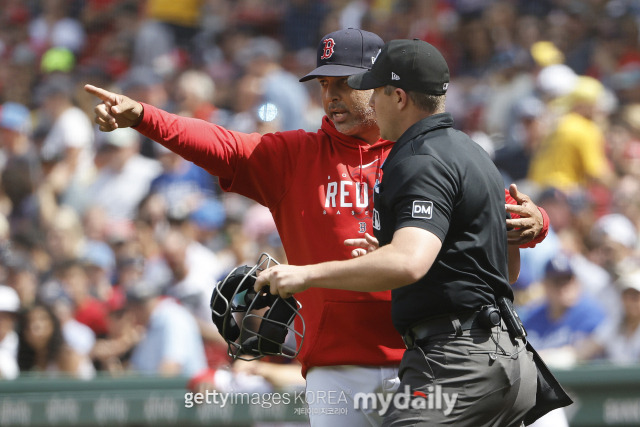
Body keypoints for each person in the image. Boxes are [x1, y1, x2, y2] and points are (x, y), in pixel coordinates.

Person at [84, 29, 548, 426]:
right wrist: (144, 117)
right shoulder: (294, 156)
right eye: (324, 85)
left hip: (432, 357)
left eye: (346, 83)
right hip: (339, 366)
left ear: (386, 86)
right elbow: (221, 144)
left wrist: (536, 221)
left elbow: (498, 214)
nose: (331, 97)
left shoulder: (430, 150)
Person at [255, 39, 543, 426]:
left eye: (377, 91)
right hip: (508, 361)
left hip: (456, 363)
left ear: (400, 97)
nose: (370, 101)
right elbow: (504, 272)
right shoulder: (473, 153)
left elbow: (408, 263)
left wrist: (306, 273)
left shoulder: (418, 160)